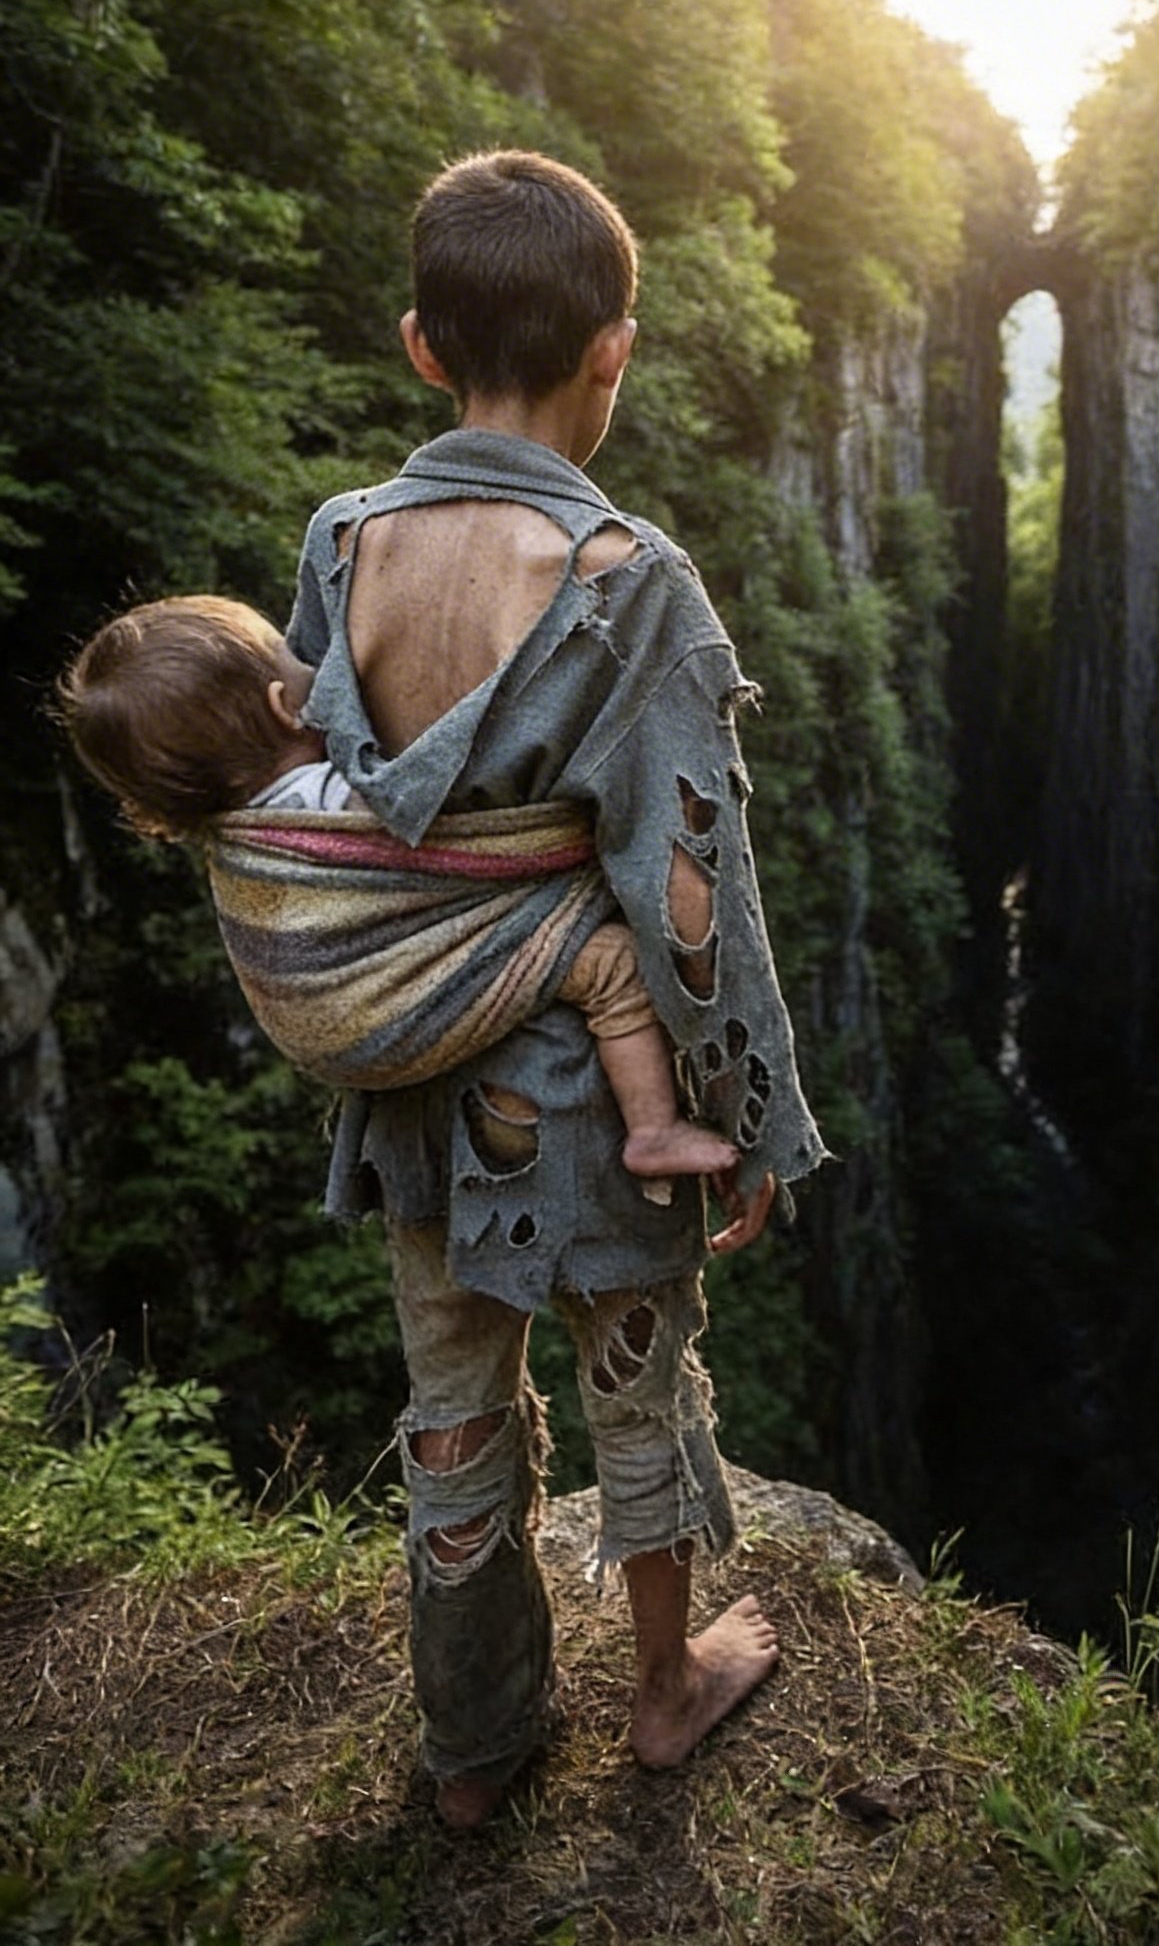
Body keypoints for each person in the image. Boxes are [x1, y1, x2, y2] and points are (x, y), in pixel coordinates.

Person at [283, 148, 826, 1830]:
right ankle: (662, 1698)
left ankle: (474, 1752)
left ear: (418, 349)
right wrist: (738, 1120)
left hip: (417, 1080)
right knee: (633, 1384)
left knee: (453, 1411)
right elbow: (688, 885)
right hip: (595, 1095)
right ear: (614, 351)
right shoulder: (626, 580)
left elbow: (321, 773)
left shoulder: (339, 538)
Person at [54, 594, 741, 1194]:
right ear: (285, 707)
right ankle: (652, 1130)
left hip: (329, 1043)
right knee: (612, 963)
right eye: (298, 664)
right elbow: (440, 793)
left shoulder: (240, 835)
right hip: (380, 1016)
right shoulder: (332, 801)